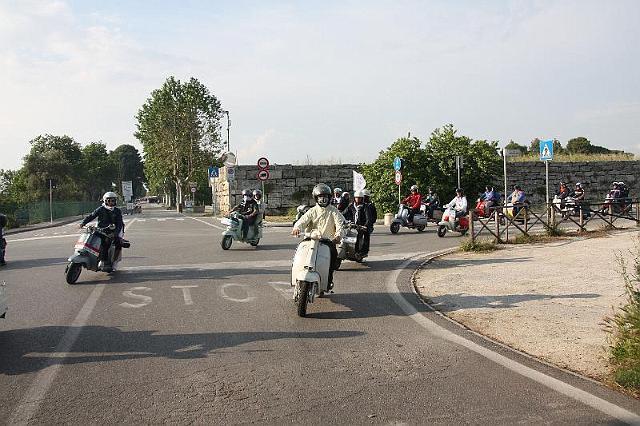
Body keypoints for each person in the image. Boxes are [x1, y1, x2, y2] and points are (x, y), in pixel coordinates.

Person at [292, 183, 345, 288]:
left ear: (329, 198)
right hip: (310, 239)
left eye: (325, 196)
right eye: (320, 197)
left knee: (333, 257)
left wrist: (338, 236)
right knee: (299, 254)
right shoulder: (312, 211)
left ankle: (328, 280)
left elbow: (340, 224)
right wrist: (297, 228)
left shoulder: (334, 211)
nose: (323, 199)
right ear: (316, 198)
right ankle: (296, 276)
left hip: (327, 241)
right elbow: (302, 221)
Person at [79, 191, 125, 270]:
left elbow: (119, 224)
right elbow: (92, 216)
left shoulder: (117, 211)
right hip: (100, 229)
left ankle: (108, 261)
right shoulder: (101, 209)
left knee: (114, 243)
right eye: (109, 200)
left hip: (112, 231)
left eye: (113, 200)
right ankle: (86, 252)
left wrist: (115, 234)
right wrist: (83, 223)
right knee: (90, 237)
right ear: (105, 201)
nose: (111, 202)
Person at [343, 190, 371, 257]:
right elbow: (344, 213)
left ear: (362, 198)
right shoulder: (351, 206)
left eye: (360, 198)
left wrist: (365, 225)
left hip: (362, 225)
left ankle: (364, 251)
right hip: (352, 224)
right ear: (354, 198)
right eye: (356, 197)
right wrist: (340, 217)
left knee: (366, 235)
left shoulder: (365, 207)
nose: (358, 199)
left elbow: (368, 217)